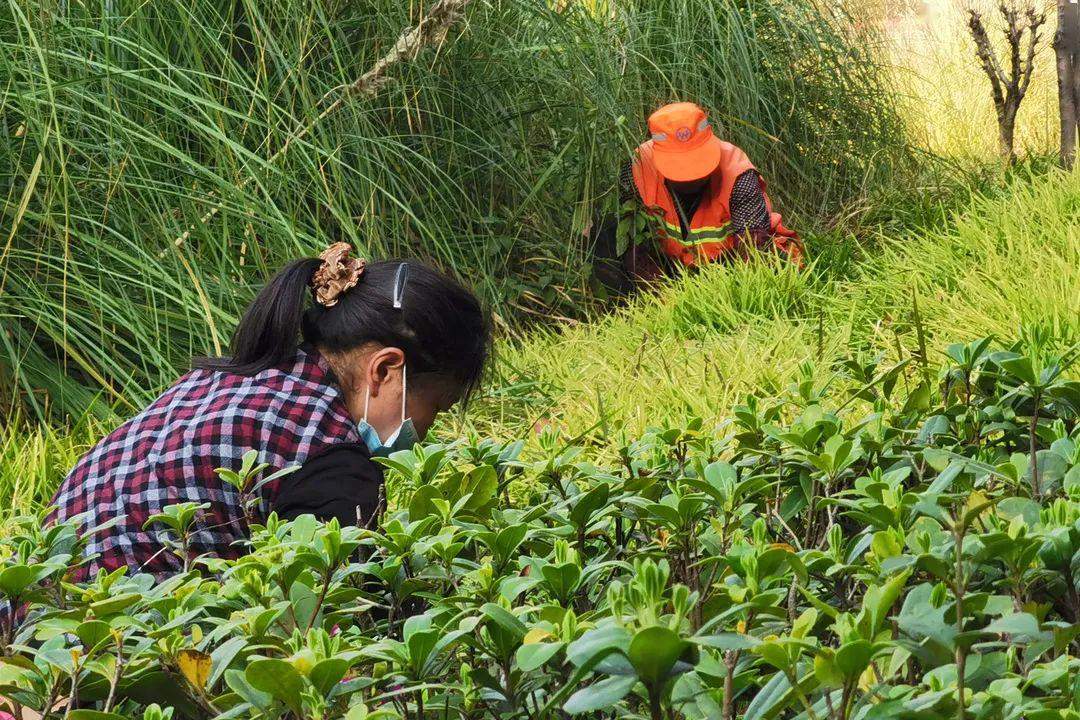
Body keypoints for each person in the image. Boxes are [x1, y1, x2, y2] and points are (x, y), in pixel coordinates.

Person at [48, 243, 490, 580]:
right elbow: (337, 617)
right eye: (436, 409)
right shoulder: (333, 462)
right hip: (99, 666)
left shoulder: (236, 378)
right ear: (386, 369)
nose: (426, 433)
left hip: (29, 625)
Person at [594, 102, 802, 293]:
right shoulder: (637, 167)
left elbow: (753, 247)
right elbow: (634, 242)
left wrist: (733, 297)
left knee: (775, 274)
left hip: (730, 259)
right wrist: (664, 297)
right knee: (605, 238)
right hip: (671, 263)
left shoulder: (737, 173)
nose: (691, 177)